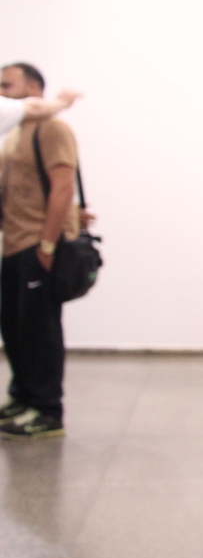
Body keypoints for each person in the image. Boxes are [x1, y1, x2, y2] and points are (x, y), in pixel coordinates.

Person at [0, 63, 85, 439]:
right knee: (14, 327)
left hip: (37, 244)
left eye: (7, 85)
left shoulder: (53, 129)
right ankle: (23, 397)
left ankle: (48, 411)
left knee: (39, 331)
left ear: (33, 87)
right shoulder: (14, 132)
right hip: (13, 244)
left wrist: (48, 245)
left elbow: (63, 187)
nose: (1, 92)